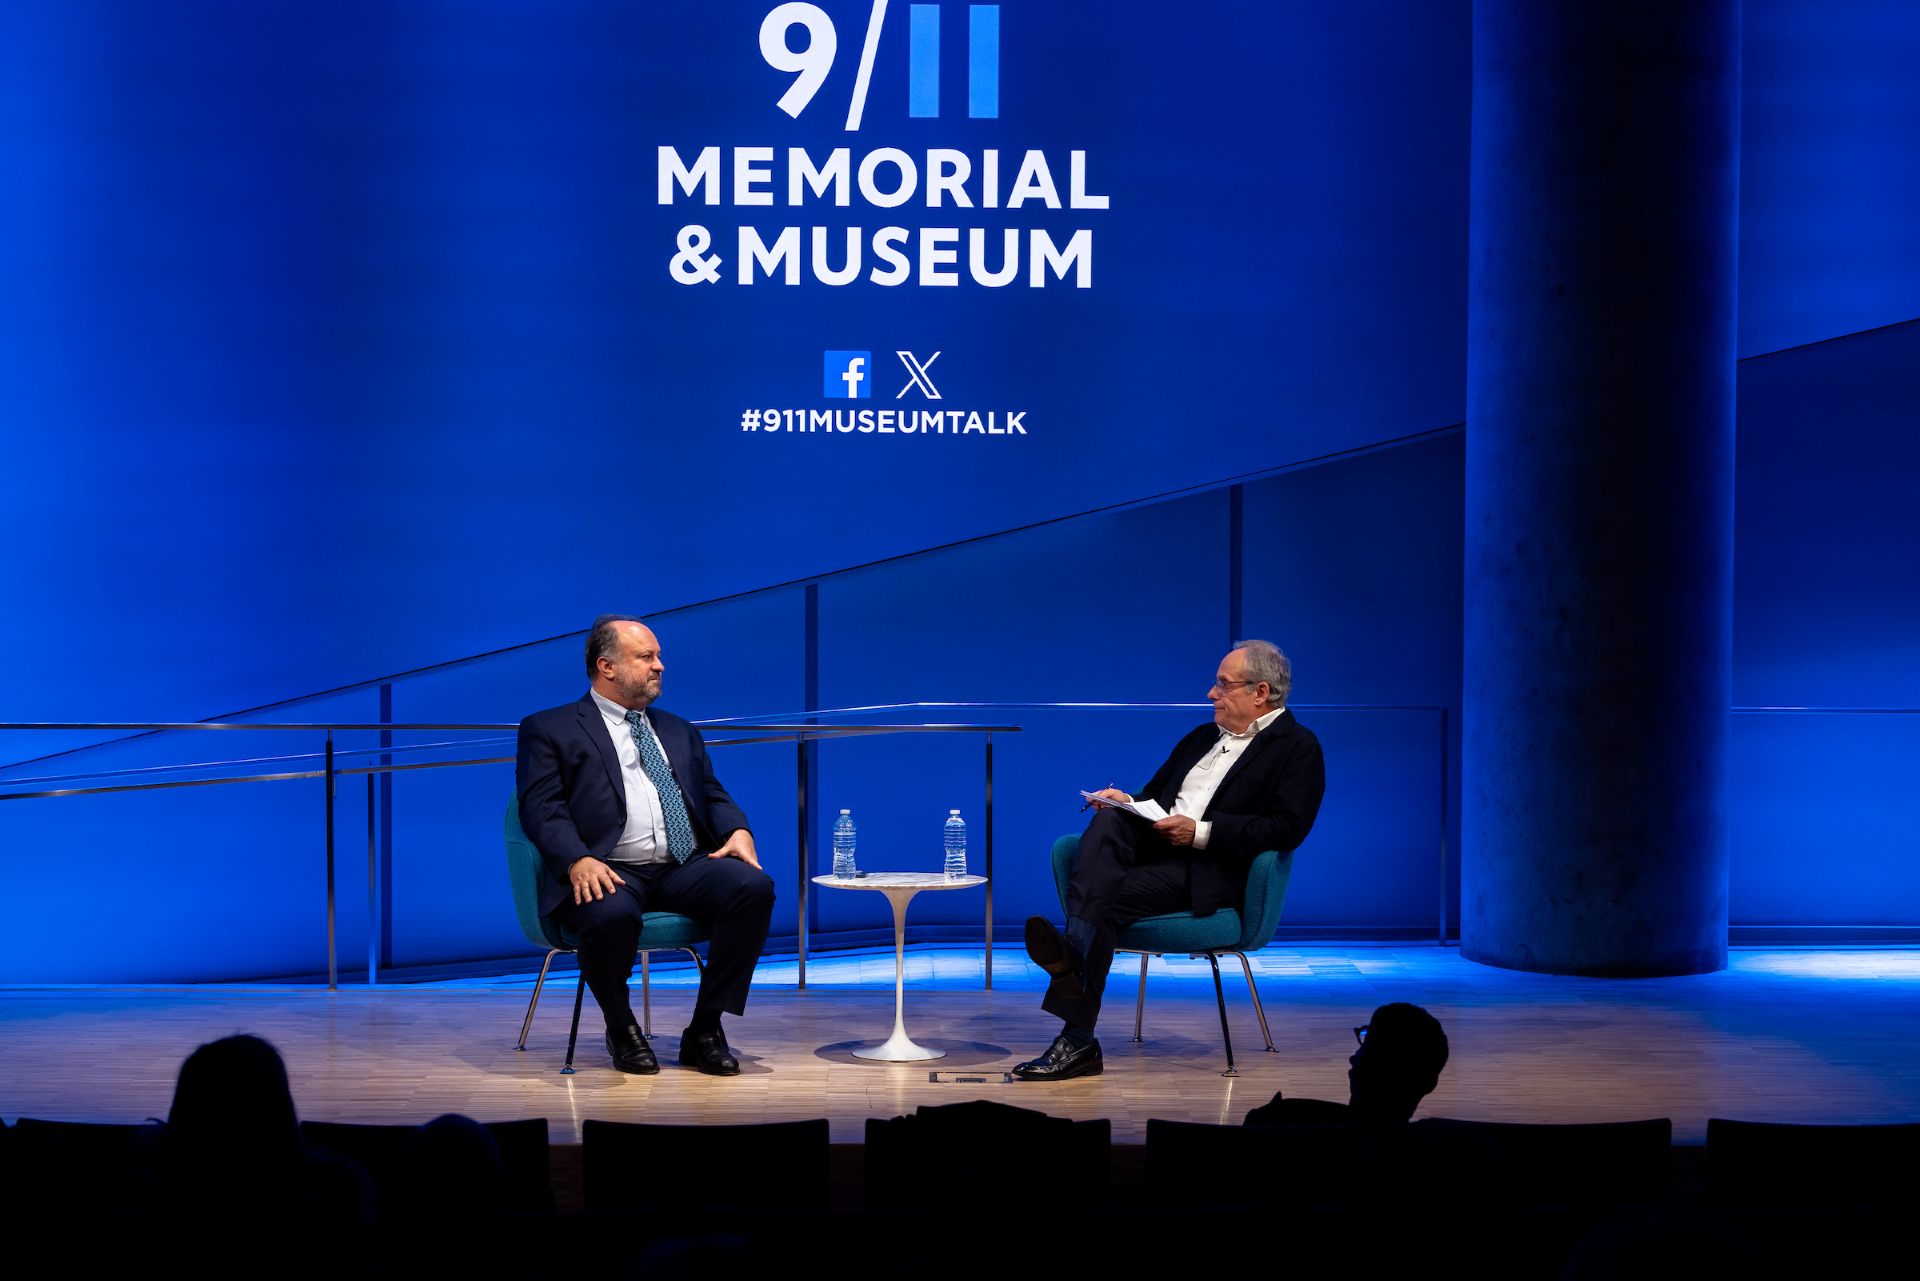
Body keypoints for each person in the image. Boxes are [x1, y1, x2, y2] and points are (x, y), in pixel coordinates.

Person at [1014, 639, 1326, 1080]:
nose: (1210, 694)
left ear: (1261, 692)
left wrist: (1200, 833)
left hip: (1209, 869)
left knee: (1103, 901)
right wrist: (1128, 801)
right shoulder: (1202, 737)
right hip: (1156, 849)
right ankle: (1074, 989)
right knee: (1107, 822)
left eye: (1222, 684)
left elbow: (1287, 828)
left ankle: (1076, 1027)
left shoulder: (1298, 747)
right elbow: (1158, 798)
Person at [516, 615, 775, 1076]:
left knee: (752, 889)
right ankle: (621, 1028)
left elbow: (711, 793)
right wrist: (577, 858)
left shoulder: (678, 729)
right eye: (647, 657)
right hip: (609, 866)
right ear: (607, 666)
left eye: (658, 657)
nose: (660, 666)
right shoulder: (549, 728)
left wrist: (738, 830)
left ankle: (705, 1028)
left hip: (681, 865)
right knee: (610, 913)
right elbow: (542, 808)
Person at [1244, 1002, 1450, 1127]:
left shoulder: (1278, 1118)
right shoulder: (1440, 1150)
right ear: (1429, 1083)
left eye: (1366, 1045)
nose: (1352, 1058)